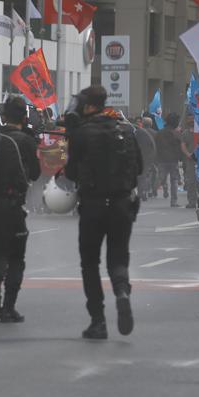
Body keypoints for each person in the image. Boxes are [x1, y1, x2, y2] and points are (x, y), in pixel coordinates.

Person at [64, 85, 142, 340]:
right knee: (118, 257)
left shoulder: (83, 133)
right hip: (121, 204)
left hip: (93, 205)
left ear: (87, 106)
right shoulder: (126, 130)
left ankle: (98, 321)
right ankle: (122, 292)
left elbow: (71, 173)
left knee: (90, 262)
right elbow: (139, 168)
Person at [0, 97, 40, 323]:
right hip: (11, 206)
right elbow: (35, 174)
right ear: (24, 118)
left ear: (3, 117)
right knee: (16, 257)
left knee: (0, 251)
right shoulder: (25, 141)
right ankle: (8, 306)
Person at [155, 113, 182, 207]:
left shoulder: (159, 132)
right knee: (174, 180)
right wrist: (181, 158)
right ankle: (173, 201)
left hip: (161, 159)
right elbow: (180, 147)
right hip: (173, 160)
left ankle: (161, 185)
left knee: (162, 177)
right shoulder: (177, 133)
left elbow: (156, 146)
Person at [134, 116, 156, 202]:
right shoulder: (154, 133)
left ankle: (141, 192)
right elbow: (154, 146)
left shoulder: (138, 132)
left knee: (140, 176)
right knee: (147, 175)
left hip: (138, 156)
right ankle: (146, 191)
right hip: (149, 157)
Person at [180, 114, 198, 208]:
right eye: (189, 119)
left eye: (193, 119)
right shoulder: (185, 133)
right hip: (190, 161)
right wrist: (188, 154)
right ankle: (192, 202)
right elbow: (183, 145)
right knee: (191, 182)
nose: (191, 121)